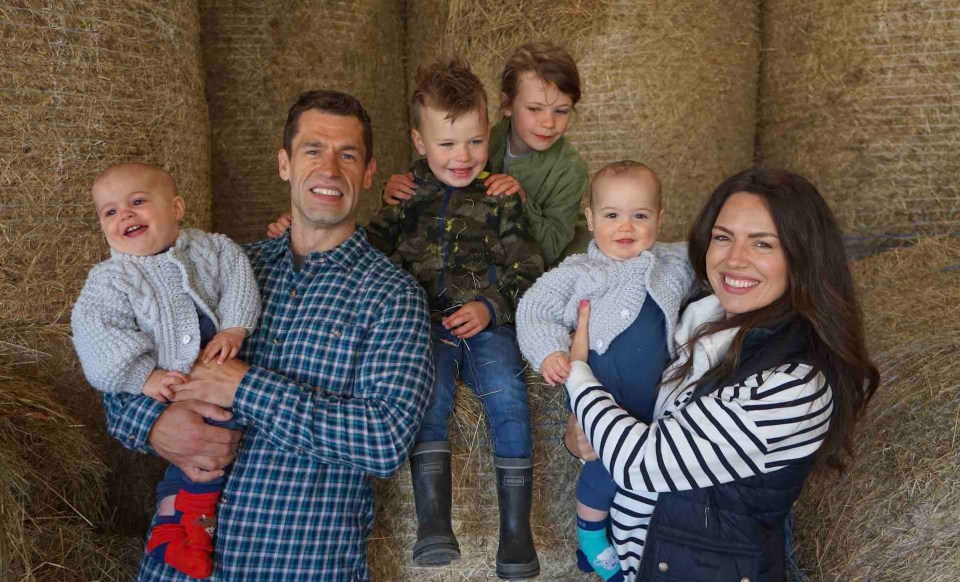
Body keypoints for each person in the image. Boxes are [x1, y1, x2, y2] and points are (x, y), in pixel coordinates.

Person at [100, 90, 434, 581]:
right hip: (178, 566)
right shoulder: (223, 269)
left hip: (298, 564)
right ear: (284, 164)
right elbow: (122, 374)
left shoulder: (392, 295)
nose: (329, 168)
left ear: (367, 173)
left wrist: (243, 388)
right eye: (312, 150)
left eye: (348, 154)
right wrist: (155, 426)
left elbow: (384, 441)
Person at [562, 169, 879, 581]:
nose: (734, 259)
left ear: (802, 257)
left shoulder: (795, 383)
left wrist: (577, 372)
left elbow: (640, 462)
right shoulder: (694, 319)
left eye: (762, 243)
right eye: (723, 237)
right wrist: (578, 433)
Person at [71, 162, 261, 578]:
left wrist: (234, 326)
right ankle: (187, 532)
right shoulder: (111, 280)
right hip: (173, 387)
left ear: (176, 207)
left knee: (219, 443)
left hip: (218, 373)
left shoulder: (213, 248)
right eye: (111, 212)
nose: (125, 215)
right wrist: (146, 377)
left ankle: (175, 531)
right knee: (201, 456)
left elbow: (239, 280)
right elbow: (97, 338)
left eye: (138, 202)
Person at [515, 161, 693, 582]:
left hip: (660, 407)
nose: (625, 226)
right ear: (590, 218)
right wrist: (550, 353)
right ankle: (590, 537)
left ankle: (642, 549)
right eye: (612, 215)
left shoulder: (673, 262)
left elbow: (710, 261)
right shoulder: (579, 273)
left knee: (652, 479)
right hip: (605, 398)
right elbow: (534, 310)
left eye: (641, 215)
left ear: (660, 219)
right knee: (602, 472)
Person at [378, 41, 591, 267]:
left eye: (562, 111)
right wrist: (401, 187)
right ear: (506, 104)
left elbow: (550, 248)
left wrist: (522, 200)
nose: (548, 122)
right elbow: (439, 160)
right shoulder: (478, 138)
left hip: (549, 266)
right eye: (534, 109)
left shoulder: (570, 170)